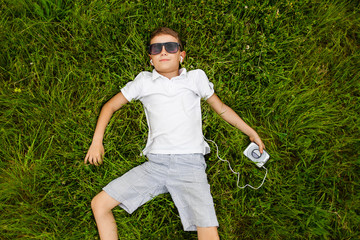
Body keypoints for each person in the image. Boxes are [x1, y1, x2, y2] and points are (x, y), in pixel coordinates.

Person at [84, 27, 265, 240]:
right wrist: (97, 142)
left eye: (170, 47)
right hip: (155, 165)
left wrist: (250, 131)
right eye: (156, 48)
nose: (163, 52)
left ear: (181, 55)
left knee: (207, 230)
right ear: (150, 58)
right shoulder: (143, 82)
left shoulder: (195, 78)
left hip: (191, 166)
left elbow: (222, 108)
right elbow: (109, 106)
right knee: (99, 204)